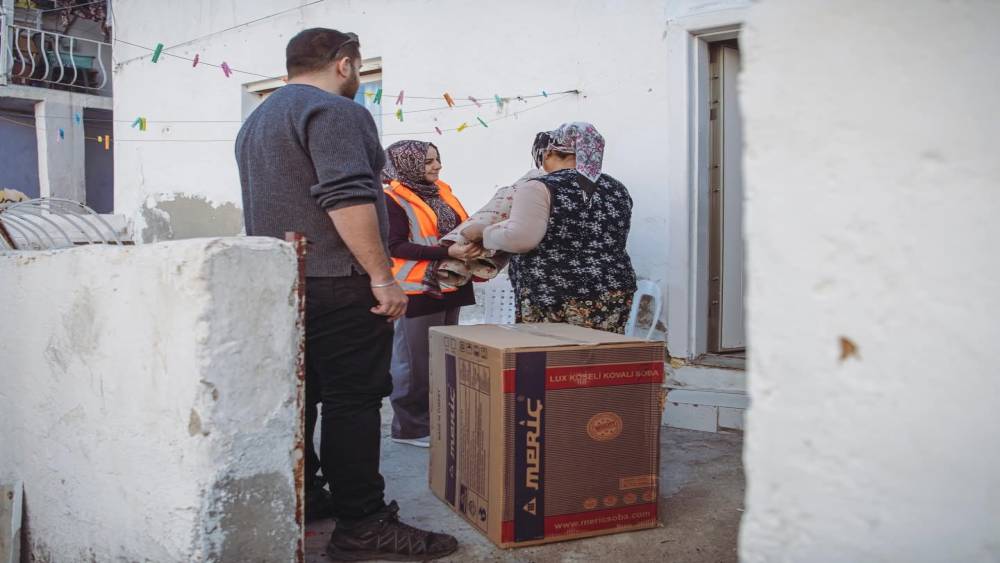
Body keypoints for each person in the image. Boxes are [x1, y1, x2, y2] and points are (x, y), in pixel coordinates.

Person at [235, 28, 458, 562]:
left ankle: (309, 496)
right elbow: (347, 197)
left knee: (307, 397)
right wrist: (382, 277)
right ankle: (363, 524)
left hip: (286, 284)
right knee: (353, 401)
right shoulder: (335, 111)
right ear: (344, 64)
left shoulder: (257, 120)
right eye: (356, 67)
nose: (357, 77)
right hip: (340, 280)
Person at [463, 122, 638, 333]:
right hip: (614, 289)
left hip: (556, 291)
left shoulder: (540, 186)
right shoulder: (617, 188)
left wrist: (483, 233)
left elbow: (521, 238)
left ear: (549, 153)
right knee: (601, 350)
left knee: (556, 350)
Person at [382, 141, 479, 447]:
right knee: (415, 364)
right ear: (407, 164)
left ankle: (437, 421)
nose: (437, 166)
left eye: (437, 159)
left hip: (451, 283)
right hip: (417, 289)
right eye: (427, 162)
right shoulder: (391, 199)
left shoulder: (442, 193)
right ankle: (410, 428)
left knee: (443, 360)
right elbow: (394, 245)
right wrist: (444, 251)